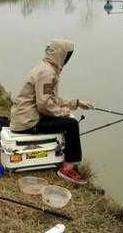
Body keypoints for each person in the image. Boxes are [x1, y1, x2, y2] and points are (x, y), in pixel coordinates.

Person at [10, 39, 94, 185]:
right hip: (28, 123)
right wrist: (63, 112)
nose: (67, 59)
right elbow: (44, 105)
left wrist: (77, 103)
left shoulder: (46, 69)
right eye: (67, 55)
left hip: (25, 118)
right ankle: (67, 169)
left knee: (68, 120)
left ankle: (66, 161)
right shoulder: (47, 73)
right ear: (61, 55)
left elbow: (51, 99)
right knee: (71, 124)